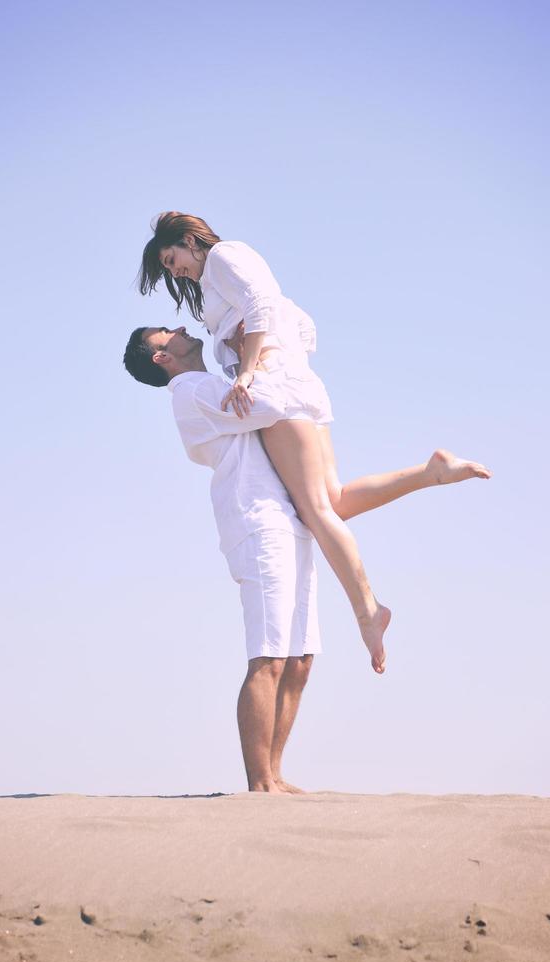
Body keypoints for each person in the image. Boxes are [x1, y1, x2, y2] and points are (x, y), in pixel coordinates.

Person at [124, 323, 491, 793]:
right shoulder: (191, 390)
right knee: (270, 658)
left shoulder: (211, 381)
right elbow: (273, 405)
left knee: (300, 659)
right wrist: (258, 357)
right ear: (161, 358)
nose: (180, 329)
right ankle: (260, 783)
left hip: (288, 517)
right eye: (167, 333)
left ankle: (275, 773)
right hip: (258, 522)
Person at [138, 212, 491, 674]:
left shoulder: (225, 255)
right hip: (294, 383)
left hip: (274, 388)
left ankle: (368, 612)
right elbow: (300, 322)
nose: (174, 271)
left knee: (316, 512)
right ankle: (432, 472)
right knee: (333, 502)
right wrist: (279, 351)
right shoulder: (216, 282)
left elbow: (264, 303)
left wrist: (252, 366)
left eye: (172, 259)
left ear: (189, 241)